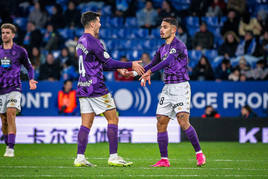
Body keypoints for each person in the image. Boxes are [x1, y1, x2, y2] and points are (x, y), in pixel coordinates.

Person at [74, 11, 144, 167]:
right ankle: (113, 156)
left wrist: (118, 70)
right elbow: (109, 62)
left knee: (86, 123)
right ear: (92, 24)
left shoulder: (81, 41)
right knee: (113, 119)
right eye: (98, 22)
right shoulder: (94, 41)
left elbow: (96, 64)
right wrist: (129, 64)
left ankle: (80, 157)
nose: (100, 24)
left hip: (83, 87)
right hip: (96, 87)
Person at [140, 17, 206, 167]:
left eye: (165, 27)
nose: (161, 30)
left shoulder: (179, 45)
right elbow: (153, 63)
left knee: (183, 121)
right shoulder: (162, 48)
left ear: (174, 30)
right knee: (161, 122)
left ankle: (199, 154)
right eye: (161, 27)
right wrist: (137, 72)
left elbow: (167, 62)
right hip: (167, 88)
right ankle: (164, 159)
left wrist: (149, 71)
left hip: (181, 87)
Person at [0, 23, 38, 157]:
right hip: (1, 89)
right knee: (4, 120)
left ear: (13, 35)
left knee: (11, 113)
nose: (5, 35)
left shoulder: (20, 51)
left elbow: (29, 67)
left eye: (7, 33)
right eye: (3, 32)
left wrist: (31, 79)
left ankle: (11, 148)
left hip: (14, 87)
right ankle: (7, 144)